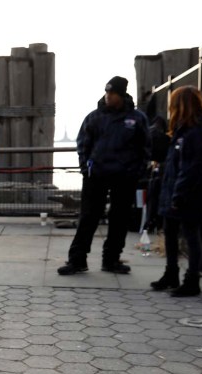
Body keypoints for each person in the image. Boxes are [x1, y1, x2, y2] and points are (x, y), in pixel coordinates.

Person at [58, 76, 151, 275]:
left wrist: (137, 172)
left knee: (119, 219)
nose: (108, 96)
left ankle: (111, 260)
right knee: (88, 218)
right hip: (96, 176)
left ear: (122, 94)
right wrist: (85, 168)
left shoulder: (136, 119)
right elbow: (83, 143)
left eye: (113, 93)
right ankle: (77, 260)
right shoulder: (94, 117)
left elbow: (145, 148)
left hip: (125, 177)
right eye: (107, 92)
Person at [150, 86, 202, 297]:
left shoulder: (196, 132)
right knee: (170, 232)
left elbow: (193, 167)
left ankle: (192, 280)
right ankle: (172, 273)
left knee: (191, 236)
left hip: (189, 195)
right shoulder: (183, 130)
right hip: (176, 191)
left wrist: (179, 194)